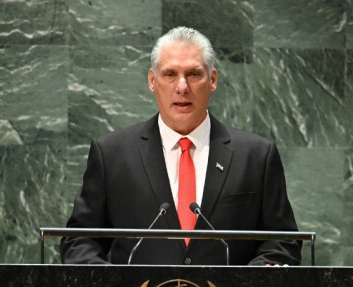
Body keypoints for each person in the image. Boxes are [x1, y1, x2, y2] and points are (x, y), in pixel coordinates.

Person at [61, 26, 300, 265]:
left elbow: (282, 242)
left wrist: (249, 283)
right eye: (170, 74)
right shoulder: (112, 155)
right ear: (152, 81)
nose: (182, 87)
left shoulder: (256, 156)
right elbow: (80, 239)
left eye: (194, 74)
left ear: (213, 80)